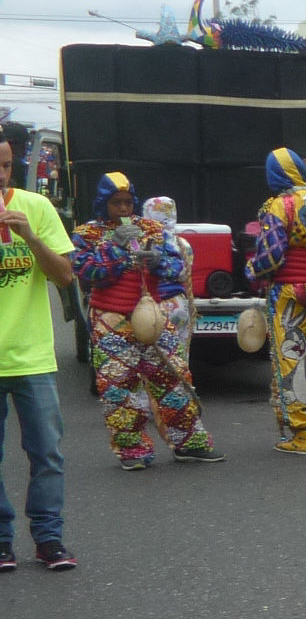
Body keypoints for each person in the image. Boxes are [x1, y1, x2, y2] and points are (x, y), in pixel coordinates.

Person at [68, 173, 219, 469]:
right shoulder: (86, 235)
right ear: (103, 203)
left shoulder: (151, 229)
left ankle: (189, 443)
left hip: (153, 316)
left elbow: (176, 267)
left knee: (174, 379)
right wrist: (115, 248)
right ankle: (133, 451)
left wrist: (157, 261)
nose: (124, 209)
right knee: (118, 388)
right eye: (116, 203)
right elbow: (86, 273)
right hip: (110, 320)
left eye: (127, 202)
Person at [0, 136, 78, 570]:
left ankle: (49, 538)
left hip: (32, 358)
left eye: (7, 166)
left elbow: (65, 276)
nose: (1, 176)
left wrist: (28, 235)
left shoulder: (36, 207)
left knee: (47, 452)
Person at [248, 148, 306, 454]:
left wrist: (251, 270)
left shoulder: (279, 204)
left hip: (289, 290)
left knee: (292, 358)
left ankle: (302, 435)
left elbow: (271, 256)